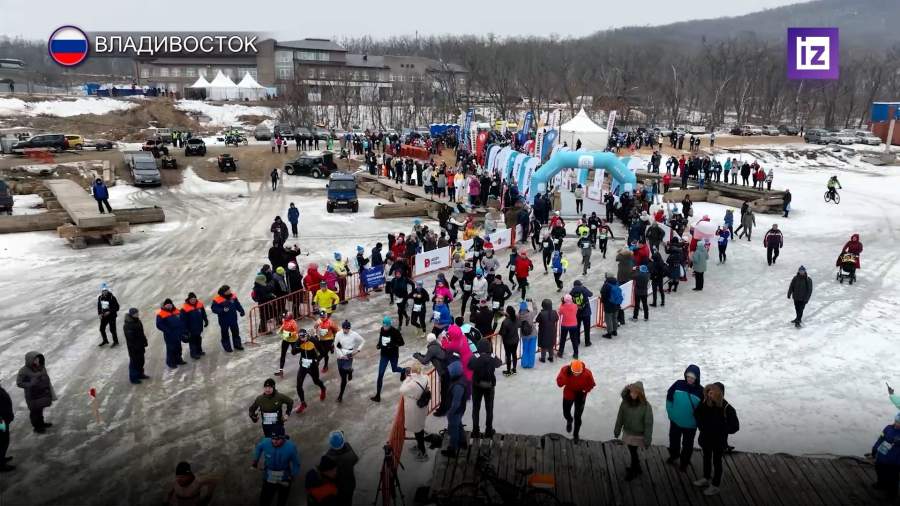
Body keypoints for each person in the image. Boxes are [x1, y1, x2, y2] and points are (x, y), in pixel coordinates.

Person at [693, 382, 740, 496]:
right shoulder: (705, 402)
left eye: (713, 393)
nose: (710, 395)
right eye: (709, 392)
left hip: (719, 441)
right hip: (705, 439)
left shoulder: (727, 408)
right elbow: (697, 413)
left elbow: (735, 426)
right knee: (706, 459)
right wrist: (701, 426)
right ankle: (706, 478)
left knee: (717, 462)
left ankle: (715, 485)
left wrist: (721, 429)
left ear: (720, 394)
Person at [666, 364, 703, 471]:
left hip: (690, 426)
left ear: (697, 378)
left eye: (693, 378)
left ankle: (684, 463)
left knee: (687, 445)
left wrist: (697, 421)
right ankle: (674, 456)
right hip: (675, 421)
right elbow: (669, 397)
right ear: (685, 375)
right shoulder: (678, 384)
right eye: (688, 376)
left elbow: (703, 410)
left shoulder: (701, 391)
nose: (690, 379)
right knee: (673, 441)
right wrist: (670, 413)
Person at [614, 382, 654, 481]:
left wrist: (648, 438)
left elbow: (648, 424)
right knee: (632, 451)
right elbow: (620, 417)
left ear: (640, 394)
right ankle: (637, 467)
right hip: (628, 432)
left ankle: (633, 469)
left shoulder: (646, 406)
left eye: (635, 393)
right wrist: (617, 429)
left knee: (633, 452)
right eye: (631, 392)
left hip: (638, 434)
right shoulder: (625, 403)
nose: (633, 395)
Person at [252, 425, 301, 506]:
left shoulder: (291, 448)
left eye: (278, 439)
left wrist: (292, 475)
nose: (274, 441)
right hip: (268, 476)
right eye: (273, 438)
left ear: (283, 438)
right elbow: (258, 447)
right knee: (264, 500)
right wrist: (255, 460)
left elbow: (296, 464)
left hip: (284, 477)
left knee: (282, 500)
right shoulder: (265, 442)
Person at [468, 338, 501, 438]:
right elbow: (499, 363)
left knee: (476, 409)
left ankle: (475, 431)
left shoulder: (475, 357)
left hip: (477, 386)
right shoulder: (492, 356)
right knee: (489, 409)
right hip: (489, 386)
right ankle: (488, 430)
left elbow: (469, 366)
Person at [556, 360, 595, 444]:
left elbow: (591, 384)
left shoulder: (587, 373)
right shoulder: (565, 370)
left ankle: (576, 434)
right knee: (566, 412)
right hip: (569, 391)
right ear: (571, 369)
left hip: (581, 393)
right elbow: (559, 384)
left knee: (578, 416)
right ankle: (569, 420)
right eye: (574, 372)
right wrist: (564, 378)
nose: (576, 374)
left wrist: (586, 390)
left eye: (579, 373)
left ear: (582, 370)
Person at [16, 351, 54, 433]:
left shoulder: (41, 367)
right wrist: (31, 384)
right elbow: (19, 383)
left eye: (38, 359)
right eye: (35, 359)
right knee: (34, 412)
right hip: (32, 396)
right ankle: (37, 427)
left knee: (40, 410)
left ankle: (41, 423)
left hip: (42, 394)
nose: (37, 361)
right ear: (30, 360)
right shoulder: (24, 370)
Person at [371, 317, 406, 402]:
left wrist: (393, 344)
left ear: (390, 325)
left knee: (394, 369)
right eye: (383, 325)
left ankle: (403, 371)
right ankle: (378, 395)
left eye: (386, 326)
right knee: (380, 374)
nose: (384, 327)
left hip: (393, 355)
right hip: (384, 355)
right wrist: (378, 345)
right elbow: (381, 339)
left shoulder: (395, 332)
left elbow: (402, 343)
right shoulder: (382, 330)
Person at [400, 363, 431, 461]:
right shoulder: (425, 377)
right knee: (419, 427)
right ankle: (419, 446)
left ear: (412, 372)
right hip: (422, 406)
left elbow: (401, 390)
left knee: (417, 430)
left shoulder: (412, 384)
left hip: (415, 408)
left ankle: (423, 453)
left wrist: (407, 379)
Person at [293, 329, 327, 413]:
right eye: (300, 337)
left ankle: (323, 388)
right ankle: (303, 403)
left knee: (316, 381)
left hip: (312, 366)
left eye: (304, 337)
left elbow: (323, 352)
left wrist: (317, 360)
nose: (302, 339)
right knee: (298, 385)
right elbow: (293, 352)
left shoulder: (313, 340)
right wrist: (298, 346)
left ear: (307, 335)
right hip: (303, 366)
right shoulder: (299, 341)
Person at [442, 360, 470, 458]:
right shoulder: (460, 379)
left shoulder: (458, 386)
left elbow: (456, 403)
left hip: (456, 410)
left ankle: (452, 449)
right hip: (460, 409)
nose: (449, 372)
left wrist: (450, 412)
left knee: (454, 429)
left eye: (450, 371)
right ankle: (463, 442)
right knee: (458, 425)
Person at [870, 412, 900, 500]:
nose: (897, 424)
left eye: (899, 423)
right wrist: (875, 448)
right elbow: (881, 438)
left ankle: (892, 493)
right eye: (897, 421)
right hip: (882, 455)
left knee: (893, 477)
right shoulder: (888, 428)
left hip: (895, 460)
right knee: (878, 468)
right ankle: (881, 483)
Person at [325, 430, 359, 506]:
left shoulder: (328, 456)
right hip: (350, 484)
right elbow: (355, 459)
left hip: (336, 488)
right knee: (348, 501)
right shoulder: (348, 448)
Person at [334, 320, 364, 402]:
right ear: (342, 328)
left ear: (350, 328)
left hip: (349, 355)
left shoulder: (354, 334)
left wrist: (358, 350)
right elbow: (335, 345)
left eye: (347, 329)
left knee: (343, 378)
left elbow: (362, 341)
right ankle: (350, 371)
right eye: (344, 329)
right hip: (340, 355)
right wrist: (341, 355)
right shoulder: (338, 334)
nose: (346, 330)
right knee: (341, 372)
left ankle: (340, 395)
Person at [211, 285, 245, 352]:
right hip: (224, 320)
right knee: (225, 334)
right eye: (228, 290)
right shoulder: (217, 299)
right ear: (224, 292)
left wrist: (241, 310)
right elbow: (214, 309)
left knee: (236, 332)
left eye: (229, 290)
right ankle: (227, 347)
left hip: (233, 318)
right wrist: (222, 310)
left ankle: (237, 344)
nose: (230, 291)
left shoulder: (233, 296)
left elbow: (237, 304)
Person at [156, 299, 186, 369]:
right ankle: (171, 363)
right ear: (164, 306)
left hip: (178, 333)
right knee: (171, 349)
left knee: (178, 347)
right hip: (169, 335)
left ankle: (179, 360)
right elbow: (159, 325)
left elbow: (182, 320)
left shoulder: (177, 311)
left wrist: (184, 330)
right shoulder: (161, 314)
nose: (169, 306)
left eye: (170, 304)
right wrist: (168, 331)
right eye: (167, 305)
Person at [123, 308, 150, 384]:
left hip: (140, 346)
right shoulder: (128, 324)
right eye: (135, 314)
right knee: (134, 362)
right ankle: (133, 378)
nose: (137, 314)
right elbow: (130, 338)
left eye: (137, 313)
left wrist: (144, 340)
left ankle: (140, 374)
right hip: (133, 348)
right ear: (131, 314)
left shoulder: (138, 321)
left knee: (141, 361)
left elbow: (141, 333)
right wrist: (136, 345)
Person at [180, 292, 208, 360]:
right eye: (192, 299)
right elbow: (183, 320)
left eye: (194, 299)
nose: (193, 300)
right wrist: (185, 330)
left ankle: (199, 351)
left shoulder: (199, 305)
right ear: (189, 299)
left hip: (198, 326)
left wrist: (206, 320)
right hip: (190, 328)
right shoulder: (184, 308)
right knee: (192, 341)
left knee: (198, 339)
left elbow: (203, 313)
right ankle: (194, 354)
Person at [498, 306, 520, 376]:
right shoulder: (516, 318)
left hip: (508, 342)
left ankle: (508, 370)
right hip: (515, 340)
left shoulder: (505, 322)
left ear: (508, 313)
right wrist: (505, 314)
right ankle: (514, 369)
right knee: (514, 354)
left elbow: (502, 333)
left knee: (508, 355)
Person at [600, 274, 623, 339]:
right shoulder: (616, 283)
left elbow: (602, 293)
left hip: (609, 305)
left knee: (608, 319)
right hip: (616, 304)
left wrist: (603, 301)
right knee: (615, 318)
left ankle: (609, 333)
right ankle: (615, 331)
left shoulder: (606, 285)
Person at [558, 294, 580, 359]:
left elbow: (559, 313)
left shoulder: (562, 307)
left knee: (563, 339)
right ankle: (576, 354)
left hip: (564, 325)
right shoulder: (575, 306)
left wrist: (562, 304)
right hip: (574, 325)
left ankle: (560, 352)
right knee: (574, 339)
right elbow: (576, 310)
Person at [0, 380, 13, 472]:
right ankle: (0, 464)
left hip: (2, 419)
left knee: (3, 440)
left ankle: (1, 458)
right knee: (3, 440)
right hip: (0, 421)